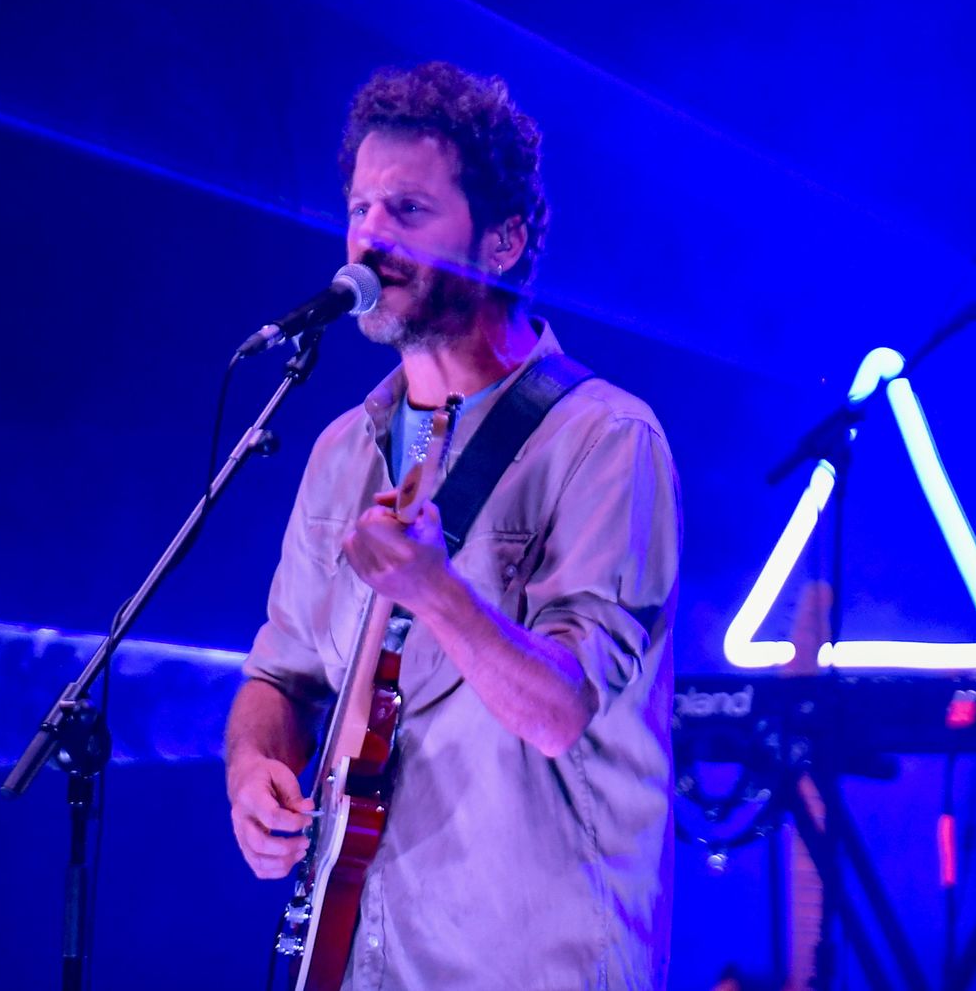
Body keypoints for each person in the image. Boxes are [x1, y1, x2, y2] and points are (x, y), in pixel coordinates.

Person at [224, 61, 681, 990]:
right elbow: (281, 673)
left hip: (532, 962)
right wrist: (253, 768)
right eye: (360, 208)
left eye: (408, 211)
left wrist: (433, 588)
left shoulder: (606, 439)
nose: (368, 238)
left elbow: (559, 709)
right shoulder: (341, 451)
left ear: (503, 240)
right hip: (362, 955)